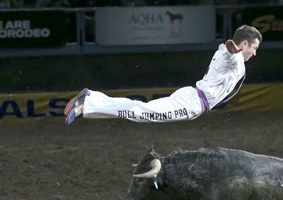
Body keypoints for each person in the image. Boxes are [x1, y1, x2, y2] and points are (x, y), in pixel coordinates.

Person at [64, 25, 262, 125]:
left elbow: (226, 52)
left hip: (193, 98)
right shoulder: (235, 58)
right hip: (192, 102)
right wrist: (232, 49)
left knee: (141, 110)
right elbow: (230, 54)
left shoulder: (230, 56)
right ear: (244, 44)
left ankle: (90, 101)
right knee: (142, 113)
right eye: (254, 48)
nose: (254, 54)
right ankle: (88, 102)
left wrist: (228, 49)